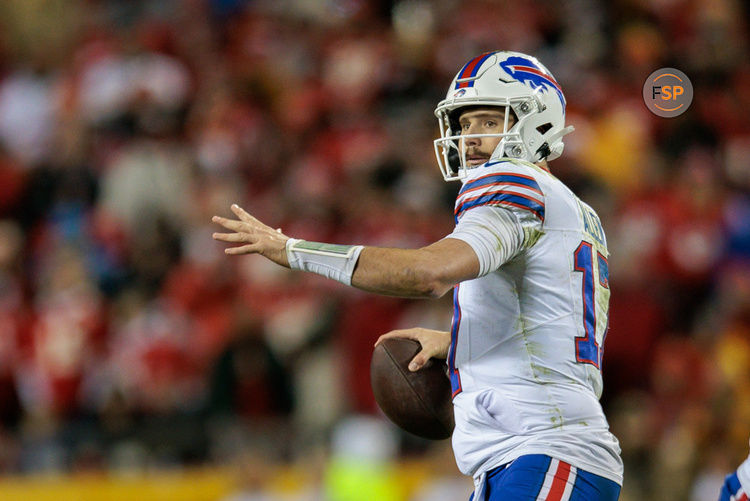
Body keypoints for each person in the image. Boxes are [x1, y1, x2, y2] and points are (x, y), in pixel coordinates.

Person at [212, 50, 623, 500]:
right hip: (529, 455)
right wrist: (457, 341)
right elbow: (552, 331)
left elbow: (428, 273)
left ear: (537, 120)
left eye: (489, 121)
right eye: (464, 125)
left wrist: (292, 251)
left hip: (544, 450)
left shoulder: (516, 183)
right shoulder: (572, 210)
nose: (470, 139)